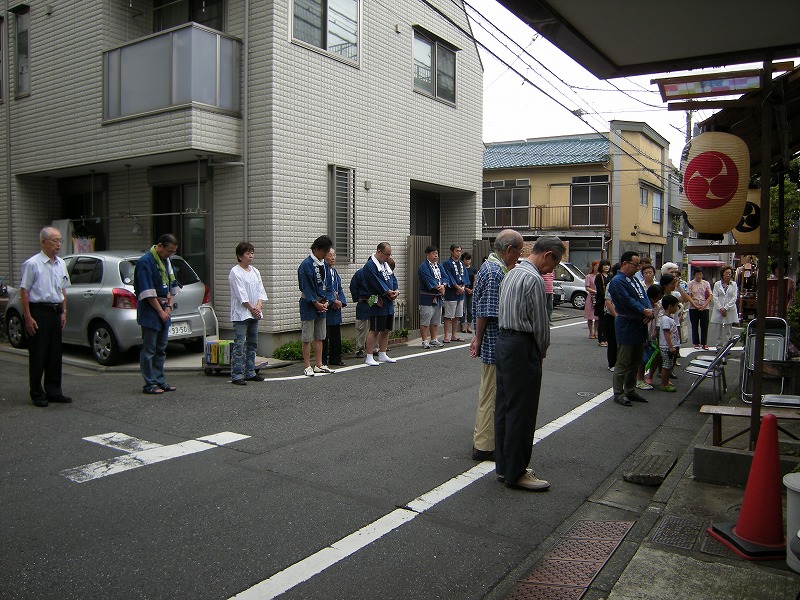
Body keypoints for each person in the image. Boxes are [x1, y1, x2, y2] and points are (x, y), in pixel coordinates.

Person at [495, 235, 565, 491]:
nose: (552, 269)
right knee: (522, 411)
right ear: (547, 255)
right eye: (555, 263)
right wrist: (541, 351)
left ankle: (504, 467)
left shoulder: (512, 273)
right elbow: (540, 323)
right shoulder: (534, 278)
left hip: (504, 342)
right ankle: (517, 472)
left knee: (505, 407)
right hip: (522, 345)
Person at [469, 229, 523, 462]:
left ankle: (486, 440)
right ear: (509, 249)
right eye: (519, 251)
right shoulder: (494, 272)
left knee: (490, 392)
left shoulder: (492, 267)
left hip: (492, 340)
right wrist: (478, 339)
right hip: (493, 341)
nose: (519, 256)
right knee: (491, 394)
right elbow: (486, 312)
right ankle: (484, 445)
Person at [19, 226, 72, 407]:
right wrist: (28, 317)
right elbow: (24, 291)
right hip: (39, 311)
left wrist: (64, 311)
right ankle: (36, 392)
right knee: (38, 353)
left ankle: (54, 390)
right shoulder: (32, 264)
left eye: (60, 241)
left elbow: (63, 288)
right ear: (43, 242)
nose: (58, 245)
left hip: (56, 311)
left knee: (55, 354)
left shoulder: (61, 263)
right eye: (54, 241)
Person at [135, 233, 181, 394]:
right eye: (169, 251)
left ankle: (160, 381)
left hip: (164, 307)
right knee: (149, 349)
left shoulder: (168, 262)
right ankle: (150, 383)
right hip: (150, 309)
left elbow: (173, 285)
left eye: (173, 252)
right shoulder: (145, 261)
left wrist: (168, 307)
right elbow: (146, 290)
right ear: (159, 246)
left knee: (161, 348)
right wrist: (160, 311)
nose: (170, 254)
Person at [608, 251, 653, 407]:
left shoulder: (634, 280)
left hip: (639, 323)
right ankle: (618, 393)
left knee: (636, 360)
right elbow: (626, 300)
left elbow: (644, 297)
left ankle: (630, 389)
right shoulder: (617, 281)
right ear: (625, 263)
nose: (638, 267)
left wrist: (649, 310)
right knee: (623, 361)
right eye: (636, 264)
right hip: (627, 323)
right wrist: (644, 311)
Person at [228, 242, 268, 386]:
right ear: (240, 256)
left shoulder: (255, 271)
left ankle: (250, 371)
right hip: (241, 313)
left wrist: (258, 306)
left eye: (252, 253)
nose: (251, 256)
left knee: (252, 343)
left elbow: (260, 290)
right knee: (239, 343)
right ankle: (237, 374)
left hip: (254, 312)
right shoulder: (235, 272)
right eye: (247, 253)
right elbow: (241, 294)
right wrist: (252, 308)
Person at [298, 235, 334, 376]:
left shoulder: (324, 264)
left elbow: (329, 286)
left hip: (322, 302)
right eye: (325, 251)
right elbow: (305, 286)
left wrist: (327, 301)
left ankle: (319, 364)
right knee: (307, 336)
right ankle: (307, 365)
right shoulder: (306, 265)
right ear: (317, 249)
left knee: (320, 336)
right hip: (309, 303)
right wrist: (314, 302)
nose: (327, 255)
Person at [363, 242, 399, 366]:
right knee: (374, 329)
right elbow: (375, 282)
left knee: (386, 329)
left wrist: (395, 290)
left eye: (389, 254)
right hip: (378, 300)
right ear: (379, 251)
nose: (388, 257)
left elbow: (393, 278)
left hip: (388, 301)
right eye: (387, 254)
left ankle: (382, 353)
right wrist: (388, 291)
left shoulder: (385, 264)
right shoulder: (370, 265)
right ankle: (369, 355)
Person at [322, 249, 347, 367]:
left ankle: (335, 358)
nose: (333, 257)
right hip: (327, 306)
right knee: (324, 334)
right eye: (330, 255)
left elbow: (339, 288)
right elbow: (324, 289)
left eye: (334, 255)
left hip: (336, 307)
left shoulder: (334, 271)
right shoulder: (323, 270)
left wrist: (341, 301)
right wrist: (333, 301)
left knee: (336, 334)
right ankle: (322, 360)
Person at [418, 245, 446, 349]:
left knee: (435, 320)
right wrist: (438, 287)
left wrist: (443, 285)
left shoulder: (439, 266)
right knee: (425, 320)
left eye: (436, 253)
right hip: (427, 297)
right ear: (427, 254)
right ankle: (424, 341)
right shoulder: (423, 267)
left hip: (438, 297)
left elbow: (445, 276)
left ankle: (434, 339)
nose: (436, 255)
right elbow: (428, 279)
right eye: (433, 253)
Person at [441, 244, 470, 343]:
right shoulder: (447, 263)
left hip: (461, 293)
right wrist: (457, 287)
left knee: (457, 315)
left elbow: (465, 276)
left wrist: (463, 287)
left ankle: (454, 335)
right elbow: (448, 277)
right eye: (457, 251)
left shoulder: (461, 263)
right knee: (449, 315)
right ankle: (446, 336)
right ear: (451, 251)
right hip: (451, 293)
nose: (459, 253)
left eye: (460, 251)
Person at [710, 266, 739, 349]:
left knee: (728, 330)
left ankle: (727, 346)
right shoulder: (717, 284)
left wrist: (726, 308)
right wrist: (721, 308)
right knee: (718, 329)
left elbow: (734, 297)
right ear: (722, 274)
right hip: (718, 309)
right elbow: (715, 297)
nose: (728, 275)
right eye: (726, 273)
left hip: (729, 309)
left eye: (730, 274)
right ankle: (718, 346)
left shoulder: (734, 284)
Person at [658, 295, 681, 392]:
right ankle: (664, 384)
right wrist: (671, 346)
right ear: (670, 306)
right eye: (675, 306)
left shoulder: (669, 318)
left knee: (669, 365)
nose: (677, 308)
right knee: (666, 366)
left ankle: (666, 382)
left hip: (670, 346)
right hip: (667, 347)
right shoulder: (665, 319)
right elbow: (666, 333)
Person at [687, 268, 712, 350]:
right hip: (693, 307)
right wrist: (695, 305)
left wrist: (704, 306)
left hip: (705, 307)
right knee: (694, 325)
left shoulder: (706, 283)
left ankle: (704, 343)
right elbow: (689, 296)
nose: (699, 276)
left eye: (700, 274)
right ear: (694, 275)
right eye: (697, 274)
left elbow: (710, 295)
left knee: (704, 325)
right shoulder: (690, 283)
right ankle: (696, 342)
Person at [349, 265, 369, 358]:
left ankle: (374, 348)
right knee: (361, 327)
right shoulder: (360, 273)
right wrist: (357, 297)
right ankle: (359, 349)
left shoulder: (378, 273)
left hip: (375, 303)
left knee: (374, 327)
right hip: (363, 302)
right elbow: (353, 286)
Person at [603, 263, 620, 372]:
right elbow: (608, 302)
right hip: (611, 316)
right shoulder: (612, 283)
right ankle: (612, 363)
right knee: (612, 341)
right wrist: (616, 316)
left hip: (623, 316)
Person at [594, 259, 612, 347]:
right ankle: (601, 339)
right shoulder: (598, 276)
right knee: (602, 320)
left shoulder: (611, 276)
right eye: (604, 265)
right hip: (601, 301)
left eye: (608, 265)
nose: (606, 267)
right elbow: (599, 289)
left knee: (608, 321)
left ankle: (607, 338)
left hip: (609, 301)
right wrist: (606, 297)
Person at [461, 252, 477, 334]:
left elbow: (475, 280)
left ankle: (469, 325)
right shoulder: (461, 269)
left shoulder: (473, 269)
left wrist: (473, 289)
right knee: (463, 308)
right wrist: (466, 289)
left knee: (470, 309)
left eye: (469, 259)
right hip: (464, 290)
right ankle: (462, 325)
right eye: (466, 259)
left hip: (471, 290)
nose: (467, 261)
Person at [584, 260, 599, 339]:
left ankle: (596, 332)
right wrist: (595, 291)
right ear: (593, 267)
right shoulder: (589, 276)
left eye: (598, 266)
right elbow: (587, 287)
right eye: (595, 266)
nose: (597, 268)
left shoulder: (600, 276)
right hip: (591, 297)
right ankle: (591, 332)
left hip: (599, 297)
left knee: (597, 316)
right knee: (590, 316)